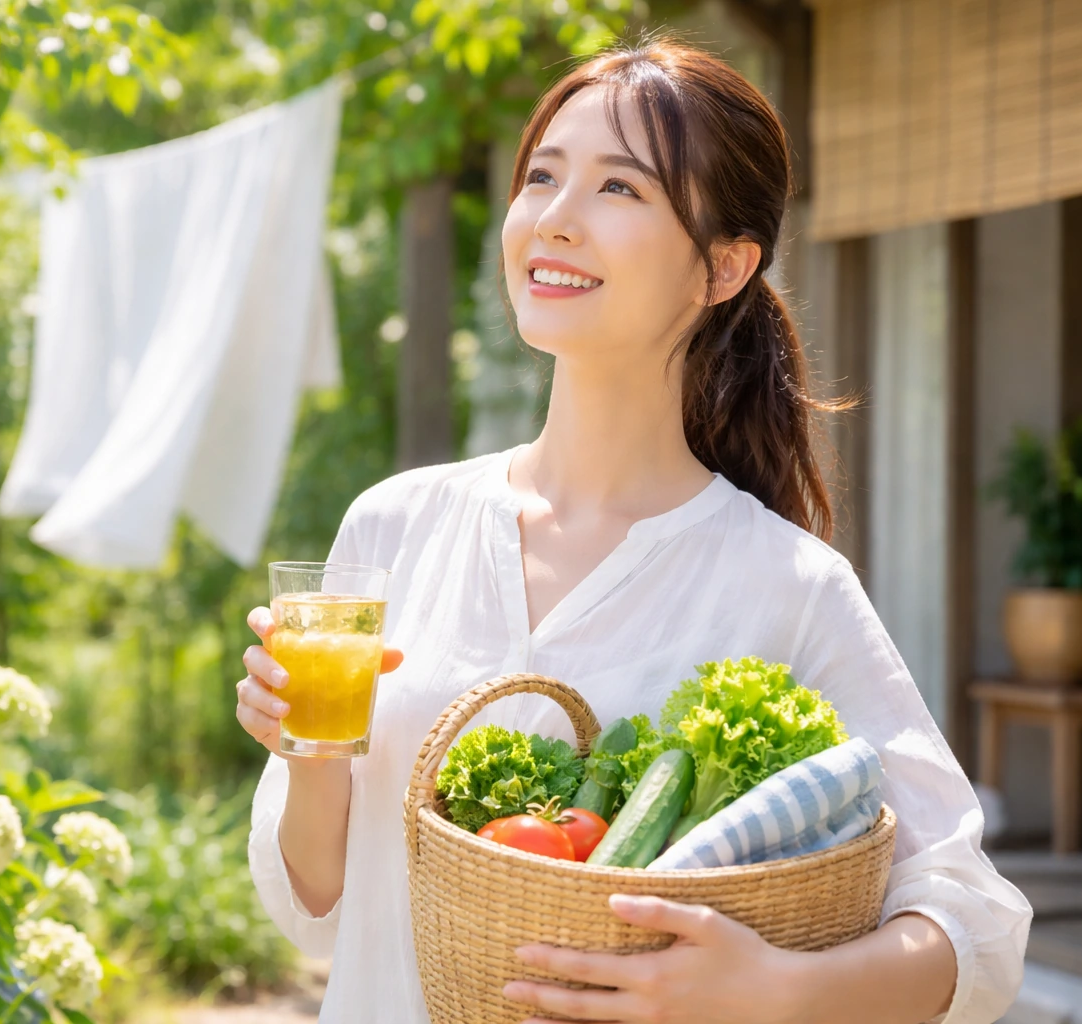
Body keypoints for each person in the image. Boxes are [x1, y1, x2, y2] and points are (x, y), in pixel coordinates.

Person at [235, 39, 1031, 1024]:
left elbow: (976, 922)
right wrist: (309, 749)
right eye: (541, 176)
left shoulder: (785, 582)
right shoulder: (396, 525)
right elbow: (320, 906)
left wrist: (777, 990)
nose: (555, 220)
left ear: (723, 266)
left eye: (619, 187)